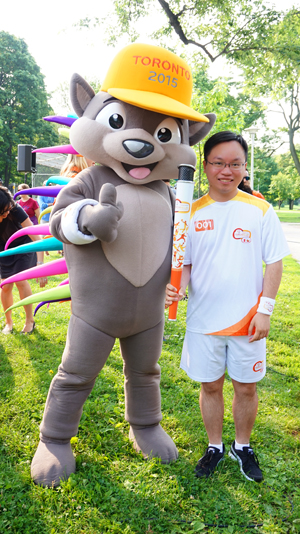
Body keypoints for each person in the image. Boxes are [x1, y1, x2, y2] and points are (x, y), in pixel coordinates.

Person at [165, 131, 290, 482]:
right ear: (205, 166)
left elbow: (275, 262)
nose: (226, 170)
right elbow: (184, 263)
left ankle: (242, 445)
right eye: (218, 163)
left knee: (246, 387)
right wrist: (178, 289)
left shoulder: (260, 210)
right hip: (203, 320)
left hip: (248, 321)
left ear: (244, 167)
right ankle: (215, 446)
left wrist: (265, 310)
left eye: (235, 163)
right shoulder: (189, 212)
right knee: (210, 386)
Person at [0, 186, 47, 334]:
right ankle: (8, 322)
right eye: (4, 211)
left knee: (20, 280)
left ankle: (29, 321)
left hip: (23, 245)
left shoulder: (15, 209)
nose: (7, 213)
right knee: (5, 285)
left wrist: (40, 266)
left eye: (8, 210)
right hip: (3, 249)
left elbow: (35, 236)